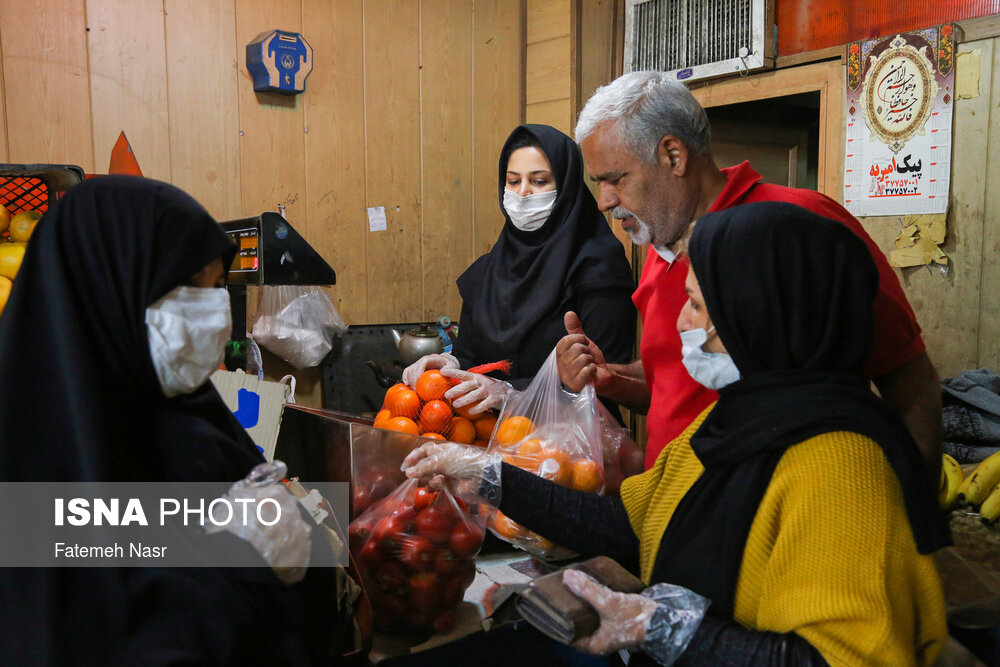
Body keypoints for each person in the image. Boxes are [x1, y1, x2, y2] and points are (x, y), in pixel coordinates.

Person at [403, 202, 950, 665]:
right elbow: (627, 526)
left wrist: (669, 630)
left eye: (694, 304)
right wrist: (486, 474)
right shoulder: (731, 424)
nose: (683, 325)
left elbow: (841, 657)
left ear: (756, 314)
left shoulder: (841, 466)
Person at [0, 177, 349, 665]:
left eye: (216, 286)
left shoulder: (192, 415)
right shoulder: (33, 467)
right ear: (110, 289)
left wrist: (297, 555)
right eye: (189, 287)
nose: (213, 311)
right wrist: (242, 565)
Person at [555, 70, 943, 483]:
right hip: (681, 516)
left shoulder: (801, 225)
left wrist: (920, 509)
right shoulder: (659, 246)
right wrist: (611, 379)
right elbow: (679, 386)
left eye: (615, 179)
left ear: (673, 155)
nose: (604, 202)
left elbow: (908, 378)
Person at [402, 124, 635, 418]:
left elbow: (604, 378)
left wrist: (509, 393)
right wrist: (450, 365)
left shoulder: (599, 267)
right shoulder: (489, 271)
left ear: (566, 187)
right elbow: (473, 357)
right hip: (488, 440)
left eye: (538, 181)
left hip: (568, 447)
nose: (523, 193)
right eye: (513, 181)